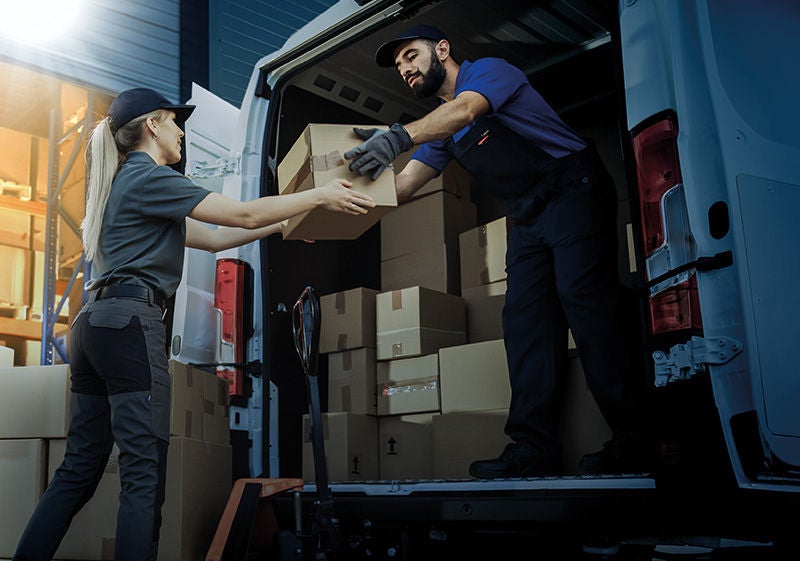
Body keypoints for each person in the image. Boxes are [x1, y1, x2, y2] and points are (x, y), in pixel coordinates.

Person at [13, 87, 374, 561]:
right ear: (153, 125)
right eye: (176, 122)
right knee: (143, 476)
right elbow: (241, 211)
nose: (182, 133)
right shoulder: (149, 176)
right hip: (128, 326)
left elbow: (219, 236)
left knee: (79, 469)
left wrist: (290, 222)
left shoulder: (129, 183)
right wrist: (320, 192)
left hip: (92, 326)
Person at [344, 25, 652, 478]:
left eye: (411, 55)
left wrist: (397, 136)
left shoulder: (487, 73)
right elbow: (406, 184)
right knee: (525, 322)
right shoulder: (439, 126)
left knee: (586, 302)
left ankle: (637, 438)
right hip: (528, 216)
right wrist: (335, 211)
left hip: (573, 189)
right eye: (399, 66)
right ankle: (534, 448)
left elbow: (467, 111)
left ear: (442, 49)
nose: (406, 69)